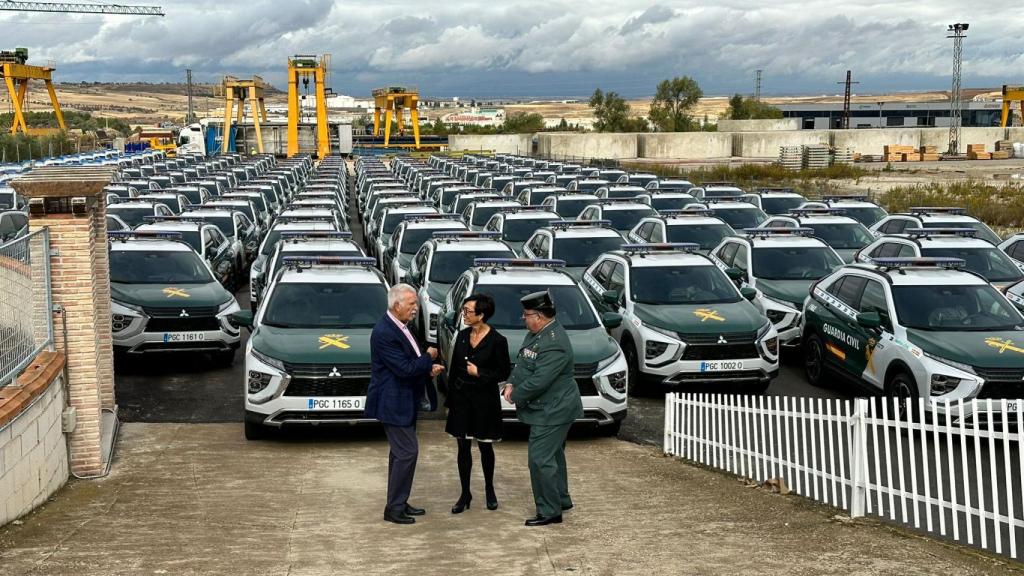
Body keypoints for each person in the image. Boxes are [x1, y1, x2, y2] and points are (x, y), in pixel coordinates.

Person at [502, 290, 582, 526]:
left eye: (526, 315)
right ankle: (561, 499)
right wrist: (511, 381)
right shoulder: (537, 334)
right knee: (554, 454)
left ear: (539, 316)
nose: (523, 318)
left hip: (554, 409)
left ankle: (549, 511)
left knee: (539, 459)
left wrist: (515, 395)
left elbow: (540, 380)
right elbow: (523, 362)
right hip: (547, 408)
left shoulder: (554, 343)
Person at [365, 284, 444, 525]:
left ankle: (399, 501)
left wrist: (427, 370)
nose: (415, 308)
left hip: (405, 401)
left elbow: (409, 363)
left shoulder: (402, 326)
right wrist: (428, 358)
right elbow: (405, 368)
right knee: (407, 452)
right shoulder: (385, 332)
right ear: (396, 305)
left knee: (400, 454)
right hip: (393, 403)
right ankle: (394, 508)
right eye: (412, 304)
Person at [445, 293, 511, 514]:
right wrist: (450, 400)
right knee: (463, 447)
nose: (464, 314)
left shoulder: (498, 340)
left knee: (485, 447)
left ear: (481, 315)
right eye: (463, 310)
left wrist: (479, 373)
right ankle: (465, 493)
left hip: (484, 401)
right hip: (462, 400)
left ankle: (489, 490)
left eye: (468, 311)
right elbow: (454, 369)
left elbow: (503, 372)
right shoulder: (462, 336)